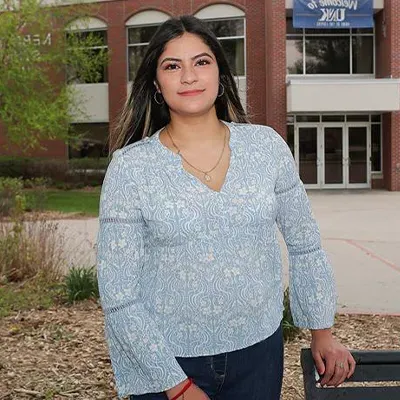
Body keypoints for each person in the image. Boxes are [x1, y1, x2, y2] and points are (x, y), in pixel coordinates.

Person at [96, 15, 356, 400]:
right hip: (164, 363)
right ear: (156, 84)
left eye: (201, 62)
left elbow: (305, 244)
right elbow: (118, 294)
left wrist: (322, 332)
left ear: (221, 74)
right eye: (172, 66)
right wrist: (176, 385)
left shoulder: (266, 148)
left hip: (258, 355)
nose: (189, 77)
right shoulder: (130, 168)